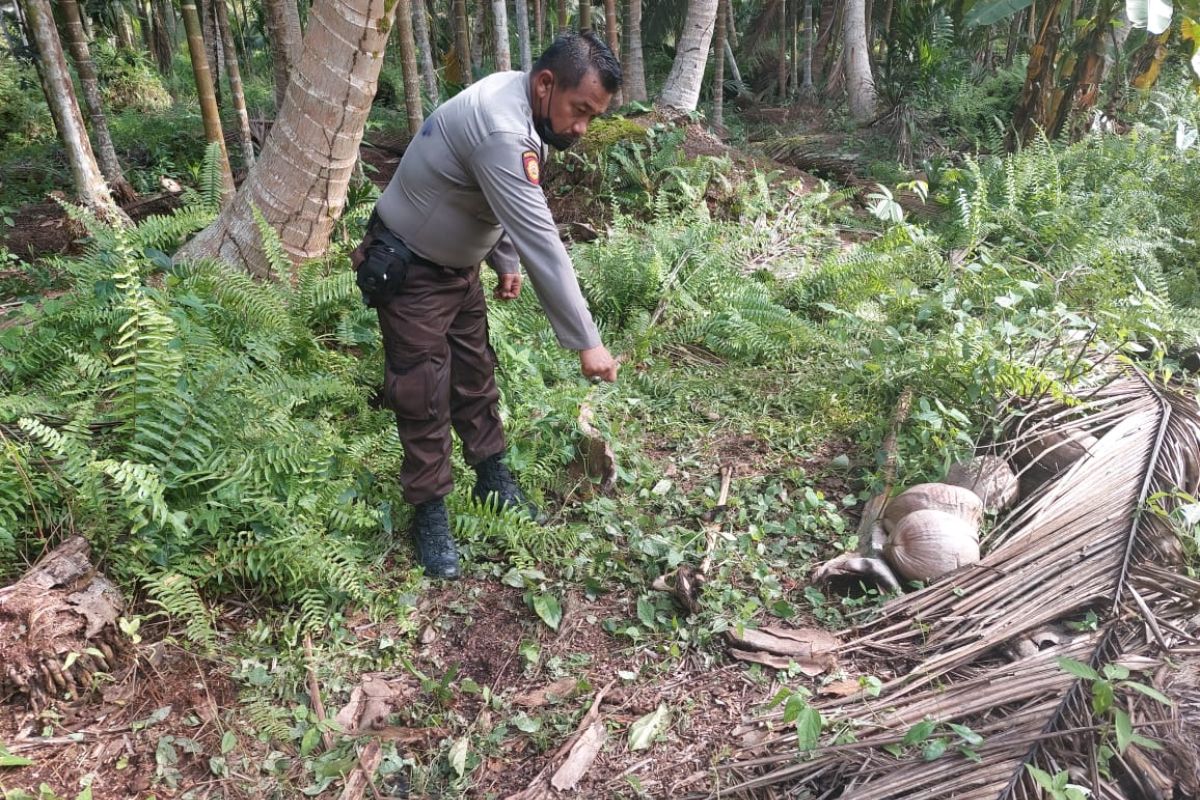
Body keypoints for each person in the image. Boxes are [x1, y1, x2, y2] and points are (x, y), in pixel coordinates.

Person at [353, 31, 622, 579]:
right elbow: (542, 238)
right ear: (547, 84)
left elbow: (485, 193)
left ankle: (491, 475)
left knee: (475, 373)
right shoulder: (504, 126)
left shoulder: (523, 103)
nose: (581, 128)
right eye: (580, 111)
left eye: (592, 117)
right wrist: (587, 343)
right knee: (423, 391)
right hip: (411, 270)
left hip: (456, 269)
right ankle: (429, 513)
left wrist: (502, 260)